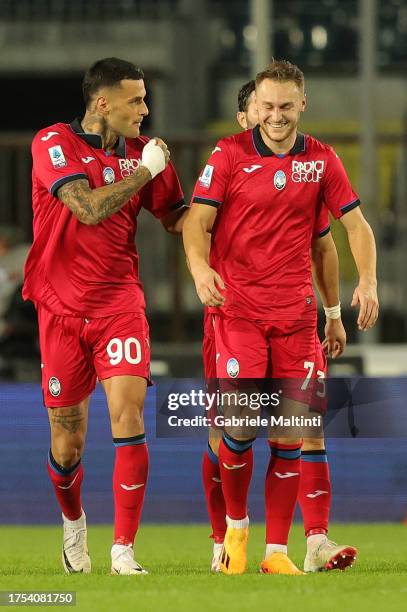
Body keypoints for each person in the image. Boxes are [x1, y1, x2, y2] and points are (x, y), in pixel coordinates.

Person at [183, 59, 378, 575]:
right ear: (253, 107)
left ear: (302, 105)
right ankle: (230, 534)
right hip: (237, 313)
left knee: (294, 432)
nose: (275, 115)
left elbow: (347, 233)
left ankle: (278, 553)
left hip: (296, 318)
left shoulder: (320, 162)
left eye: (285, 106)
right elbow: (195, 223)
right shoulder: (226, 155)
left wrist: (362, 287)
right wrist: (201, 269)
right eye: (267, 106)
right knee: (236, 429)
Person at [23, 57, 186, 576]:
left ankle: (123, 550)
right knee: (67, 444)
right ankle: (74, 525)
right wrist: (144, 173)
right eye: (136, 99)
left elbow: (178, 218)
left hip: (120, 303)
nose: (146, 109)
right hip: (61, 308)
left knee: (129, 414)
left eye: (145, 98)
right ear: (103, 103)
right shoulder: (53, 143)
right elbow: (87, 208)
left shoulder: (146, 156)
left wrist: (231, 199)